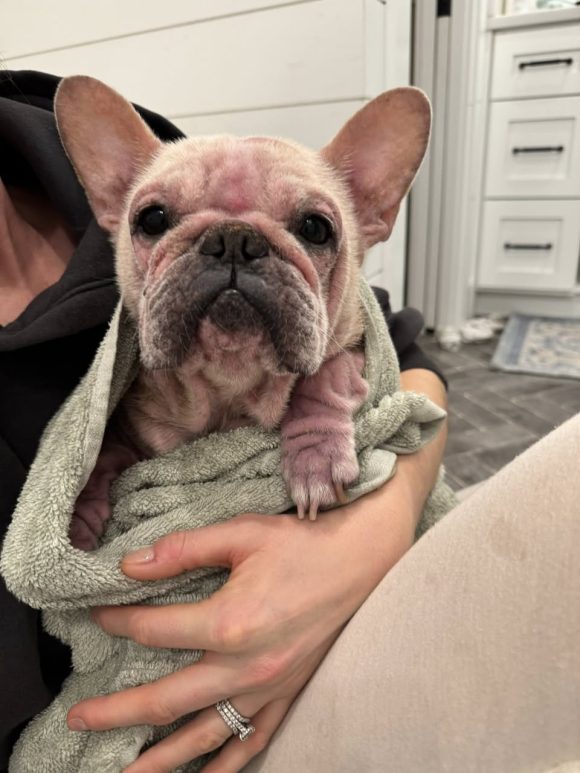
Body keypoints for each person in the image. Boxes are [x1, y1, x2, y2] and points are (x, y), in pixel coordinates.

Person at [2, 70, 579, 773]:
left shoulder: (50, 123)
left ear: (373, 211)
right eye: (157, 222)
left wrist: (383, 512)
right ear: (111, 202)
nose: (233, 252)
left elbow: (396, 354)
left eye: (310, 229)